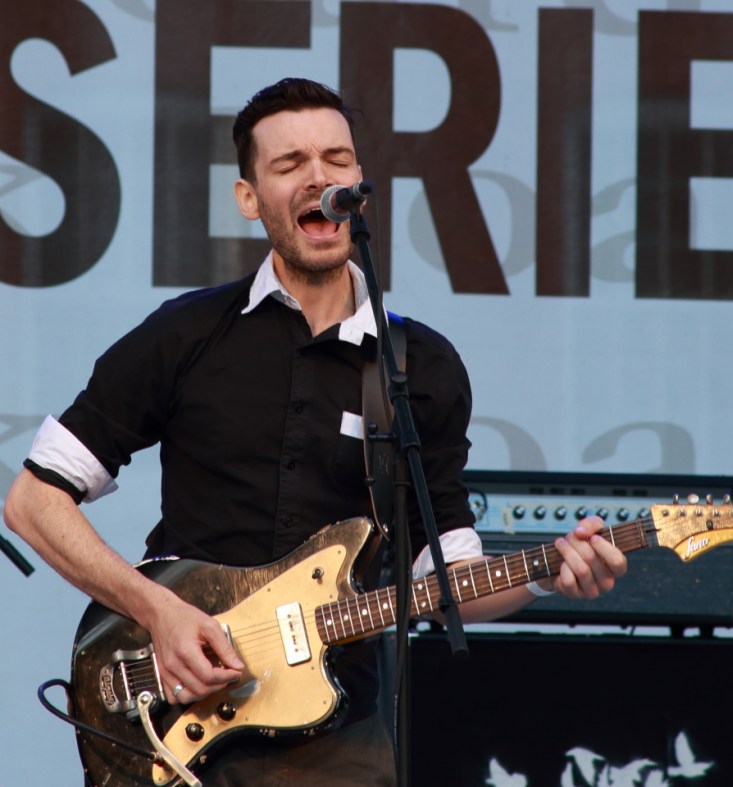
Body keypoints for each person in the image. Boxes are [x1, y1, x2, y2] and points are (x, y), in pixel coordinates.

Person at [3, 77, 627, 786]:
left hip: (333, 733)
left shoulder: (419, 368)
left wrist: (547, 572)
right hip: (172, 708)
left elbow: (446, 578)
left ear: (358, 184)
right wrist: (160, 611)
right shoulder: (185, 334)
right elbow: (33, 501)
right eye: (290, 163)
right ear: (250, 198)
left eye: (336, 158)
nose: (318, 177)